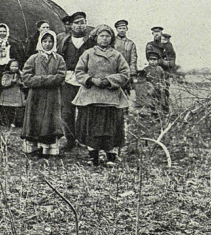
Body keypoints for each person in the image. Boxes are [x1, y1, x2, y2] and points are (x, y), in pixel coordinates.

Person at [73, 24, 131, 167]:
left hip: (111, 97)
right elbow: (79, 72)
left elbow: (125, 74)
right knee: (91, 126)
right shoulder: (88, 53)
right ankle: (93, 156)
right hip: (90, 96)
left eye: (107, 36)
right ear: (96, 38)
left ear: (111, 38)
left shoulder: (117, 55)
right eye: (101, 36)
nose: (104, 39)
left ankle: (111, 156)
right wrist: (91, 80)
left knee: (110, 127)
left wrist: (108, 81)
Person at [20, 29, 67, 158]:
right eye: (45, 41)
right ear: (40, 42)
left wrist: (42, 79)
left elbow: (61, 77)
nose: (47, 44)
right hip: (36, 95)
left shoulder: (59, 59)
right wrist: (43, 80)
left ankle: (48, 149)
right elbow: (26, 77)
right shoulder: (33, 58)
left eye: (50, 41)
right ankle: (33, 148)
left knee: (50, 121)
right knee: (34, 120)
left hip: (52, 95)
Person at [58, 11, 92, 151]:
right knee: (67, 112)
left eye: (82, 22)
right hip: (69, 79)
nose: (80, 26)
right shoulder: (64, 42)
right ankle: (70, 139)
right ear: (70, 25)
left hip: (85, 80)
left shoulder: (91, 42)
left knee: (85, 111)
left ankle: (84, 139)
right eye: (77, 23)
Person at [137, 50, 171, 119]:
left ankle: (162, 112)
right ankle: (149, 113)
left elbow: (163, 79)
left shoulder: (160, 69)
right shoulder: (145, 69)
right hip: (149, 88)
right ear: (148, 60)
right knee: (149, 101)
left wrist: (163, 85)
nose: (153, 61)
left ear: (157, 60)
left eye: (155, 60)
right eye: (151, 60)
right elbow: (142, 80)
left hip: (158, 88)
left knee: (161, 99)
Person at [0, 59, 25, 128]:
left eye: (16, 66)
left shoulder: (19, 74)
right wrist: (12, 81)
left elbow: (25, 82)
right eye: (12, 66)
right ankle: (6, 122)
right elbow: (3, 84)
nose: (14, 68)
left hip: (17, 94)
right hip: (8, 94)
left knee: (18, 109)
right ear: (9, 66)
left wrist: (21, 80)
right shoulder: (6, 74)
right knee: (8, 109)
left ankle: (16, 122)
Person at [113, 20, 138, 94]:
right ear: (117, 29)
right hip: (115, 71)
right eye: (120, 28)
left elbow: (133, 59)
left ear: (127, 29)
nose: (122, 30)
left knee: (126, 93)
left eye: (123, 28)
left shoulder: (130, 43)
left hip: (126, 72)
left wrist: (132, 73)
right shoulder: (112, 42)